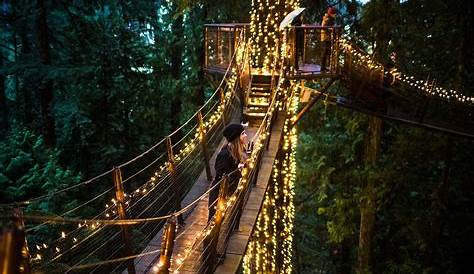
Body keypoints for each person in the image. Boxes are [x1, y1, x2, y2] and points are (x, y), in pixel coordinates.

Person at [208, 123, 248, 222]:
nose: (246, 135)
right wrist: (237, 170)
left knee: (222, 220)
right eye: (243, 133)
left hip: (228, 192)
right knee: (213, 222)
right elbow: (220, 176)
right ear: (236, 138)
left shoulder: (236, 151)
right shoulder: (225, 154)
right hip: (219, 195)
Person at [320, 7, 337, 72]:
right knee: (325, 52)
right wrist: (331, 29)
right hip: (325, 37)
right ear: (331, 13)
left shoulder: (330, 19)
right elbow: (324, 27)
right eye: (334, 13)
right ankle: (322, 68)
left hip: (327, 37)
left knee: (327, 52)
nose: (335, 15)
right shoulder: (327, 19)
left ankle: (324, 67)